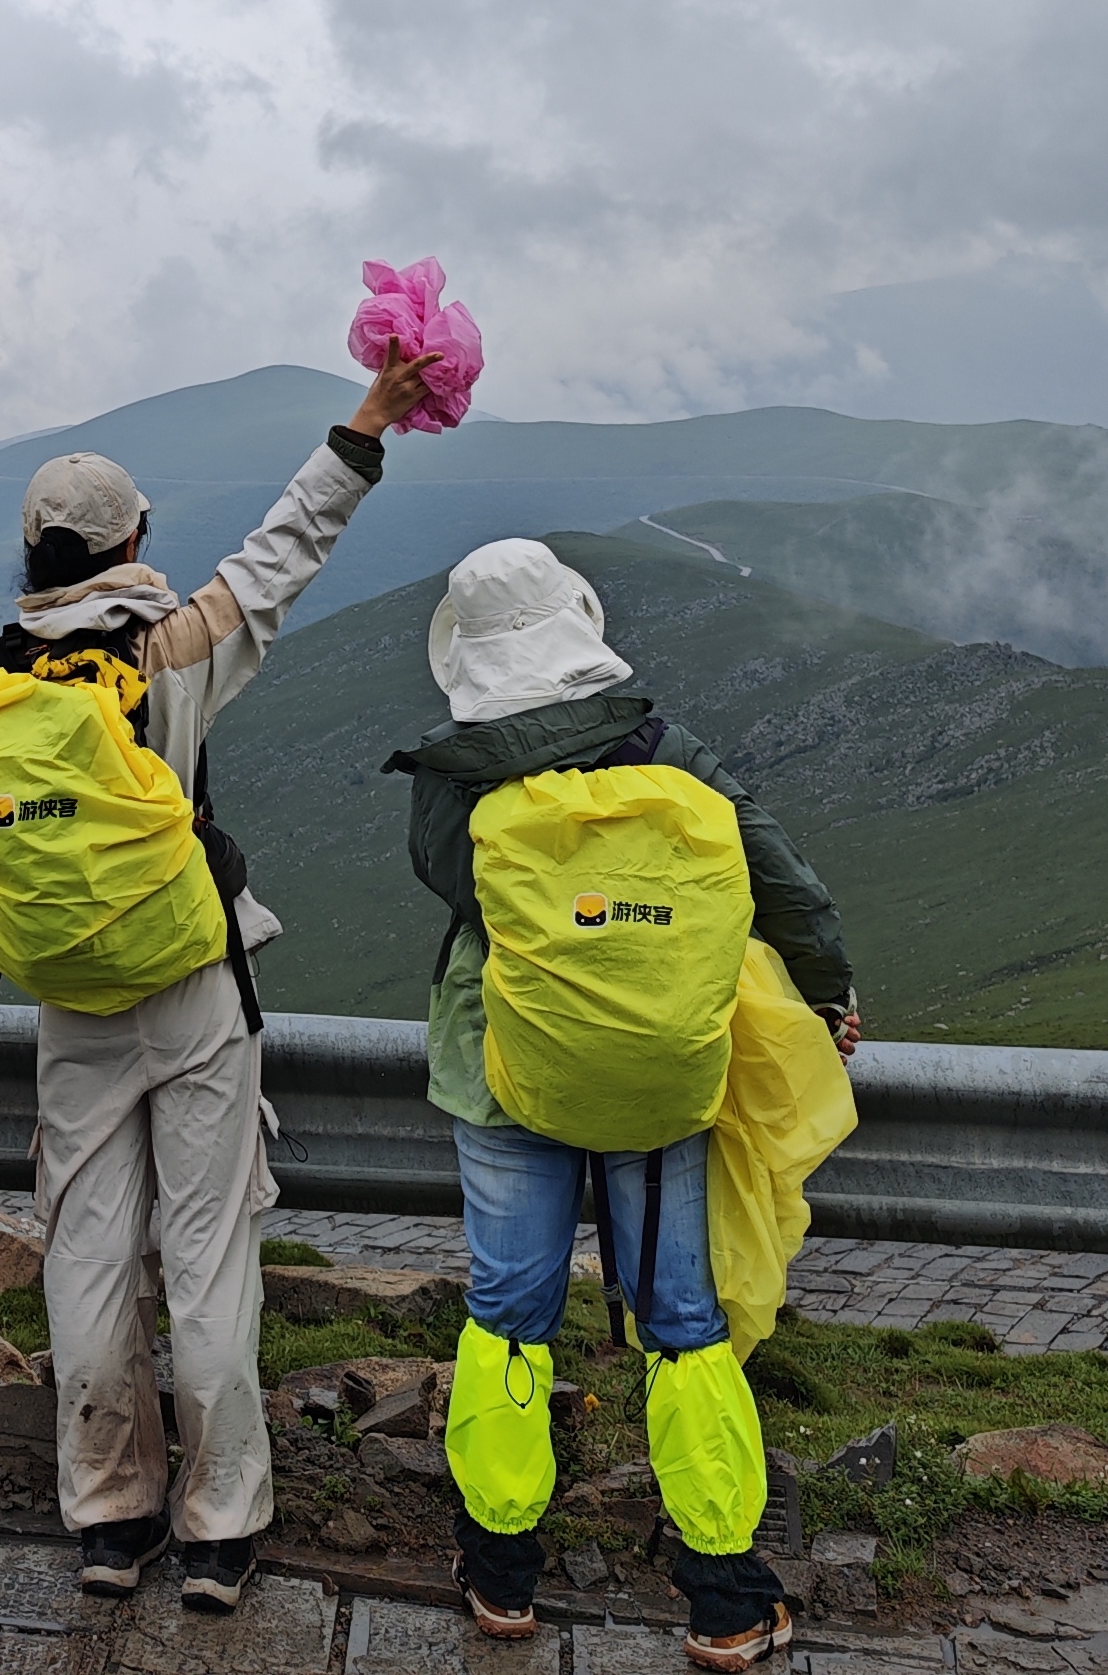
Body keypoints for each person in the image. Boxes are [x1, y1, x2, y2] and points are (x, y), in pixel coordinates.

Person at [0, 343, 439, 1611]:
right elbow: (280, 555)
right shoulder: (172, 650)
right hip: (190, 987)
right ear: (133, 539)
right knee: (205, 1259)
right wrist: (364, 424)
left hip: (73, 999)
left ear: (32, 554)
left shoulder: (5, 676)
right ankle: (219, 1529)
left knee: (85, 1256)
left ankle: (107, 1517)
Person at [389, 538, 858, 1664]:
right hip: (659, 1071)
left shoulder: (456, 773)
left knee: (509, 1313)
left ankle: (502, 1575)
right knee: (682, 1324)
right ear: (576, 620)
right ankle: (724, 1595)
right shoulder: (669, 749)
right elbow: (780, 882)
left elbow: (453, 884)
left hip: (505, 1069)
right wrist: (827, 995)